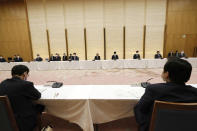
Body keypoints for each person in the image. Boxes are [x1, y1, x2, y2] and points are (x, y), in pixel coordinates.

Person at [134, 57, 197, 131]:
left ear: (167, 74)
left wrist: (146, 126)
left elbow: (139, 109)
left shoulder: (153, 89)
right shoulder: (195, 92)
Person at [0, 65, 44, 131]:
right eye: (27, 74)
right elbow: (37, 96)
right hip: (22, 122)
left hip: (4, 120)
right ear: (25, 73)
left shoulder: (2, 84)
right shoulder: (26, 84)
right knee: (41, 107)